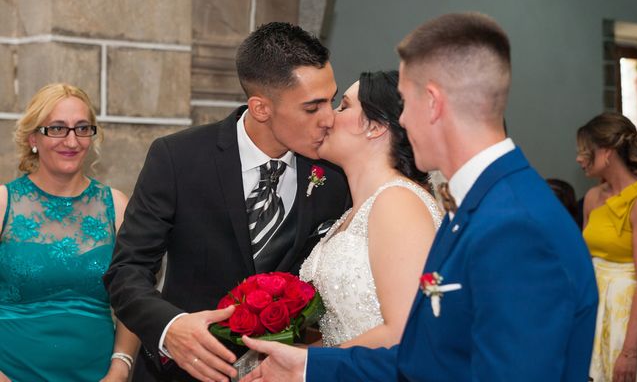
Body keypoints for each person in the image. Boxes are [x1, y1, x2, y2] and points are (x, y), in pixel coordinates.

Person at [238, 12, 598, 381]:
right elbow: (434, 359)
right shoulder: (478, 207)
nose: (404, 122)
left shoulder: (516, 225)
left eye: (406, 103)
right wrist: (308, 367)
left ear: (433, 103)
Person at [103, 22, 351, 382]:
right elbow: (126, 271)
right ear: (261, 107)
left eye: (331, 99)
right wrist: (170, 327)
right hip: (178, 373)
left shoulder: (335, 173)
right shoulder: (177, 157)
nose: (329, 119)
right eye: (312, 108)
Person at [0, 83, 139, 382]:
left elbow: (136, 295)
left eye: (82, 128)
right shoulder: (3, 203)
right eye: (58, 129)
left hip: (98, 375)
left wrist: (120, 368)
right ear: (33, 137)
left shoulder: (115, 205)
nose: (72, 141)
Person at [299, 70, 442, 348]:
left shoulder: (398, 202)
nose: (329, 118)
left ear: (376, 126)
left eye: (344, 106)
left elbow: (405, 332)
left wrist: (305, 366)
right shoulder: (358, 209)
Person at [577, 112, 637, 382]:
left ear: (608, 152)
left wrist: (629, 352)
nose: (579, 158)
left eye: (585, 151)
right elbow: (581, 261)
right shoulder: (592, 197)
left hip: (627, 315)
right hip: (595, 308)